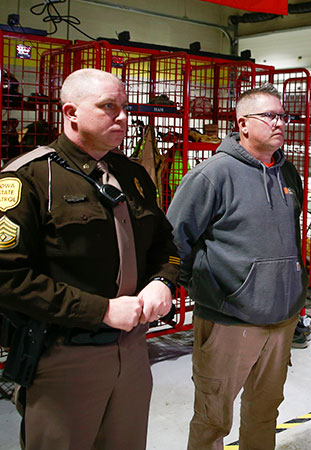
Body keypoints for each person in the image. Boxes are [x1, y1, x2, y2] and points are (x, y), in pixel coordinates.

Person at [0, 68, 179, 449]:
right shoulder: (29, 178)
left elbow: (166, 242)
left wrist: (162, 281)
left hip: (132, 351)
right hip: (63, 355)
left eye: (124, 106)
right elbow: (8, 279)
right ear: (71, 113)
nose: (123, 117)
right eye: (108, 106)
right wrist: (101, 311)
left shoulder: (132, 175)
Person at [167, 83, 307, 450]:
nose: (279, 123)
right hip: (229, 319)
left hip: (281, 319)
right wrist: (209, 289)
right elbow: (172, 240)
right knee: (214, 418)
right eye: (270, 116)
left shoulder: (289, 175)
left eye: (282, 116)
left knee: (265, 412)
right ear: (243, 124)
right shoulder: (211, 175)